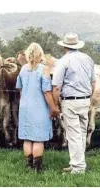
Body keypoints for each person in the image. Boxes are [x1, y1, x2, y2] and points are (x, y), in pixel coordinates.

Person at [52, 32, 96, 174]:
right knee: (82, 132)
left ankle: (78, 167)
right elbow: (93, 82)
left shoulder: (63, 61)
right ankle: (77, 162)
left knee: (73, 134)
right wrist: (89, 97)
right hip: (85, 99)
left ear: (64, 46)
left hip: (70, 101)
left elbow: (57, 86)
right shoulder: (87, 59)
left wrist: (56, 104)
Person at [16, 42, 60, 173]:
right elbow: (47, 91)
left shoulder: (23, 69)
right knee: (38, 138)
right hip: (39, 107)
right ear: (40, 54)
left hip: (24, 107)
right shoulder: (44, 69)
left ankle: (28, 165)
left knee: (28, 138)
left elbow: (20, 87)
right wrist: (53, 108)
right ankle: (38, 167)